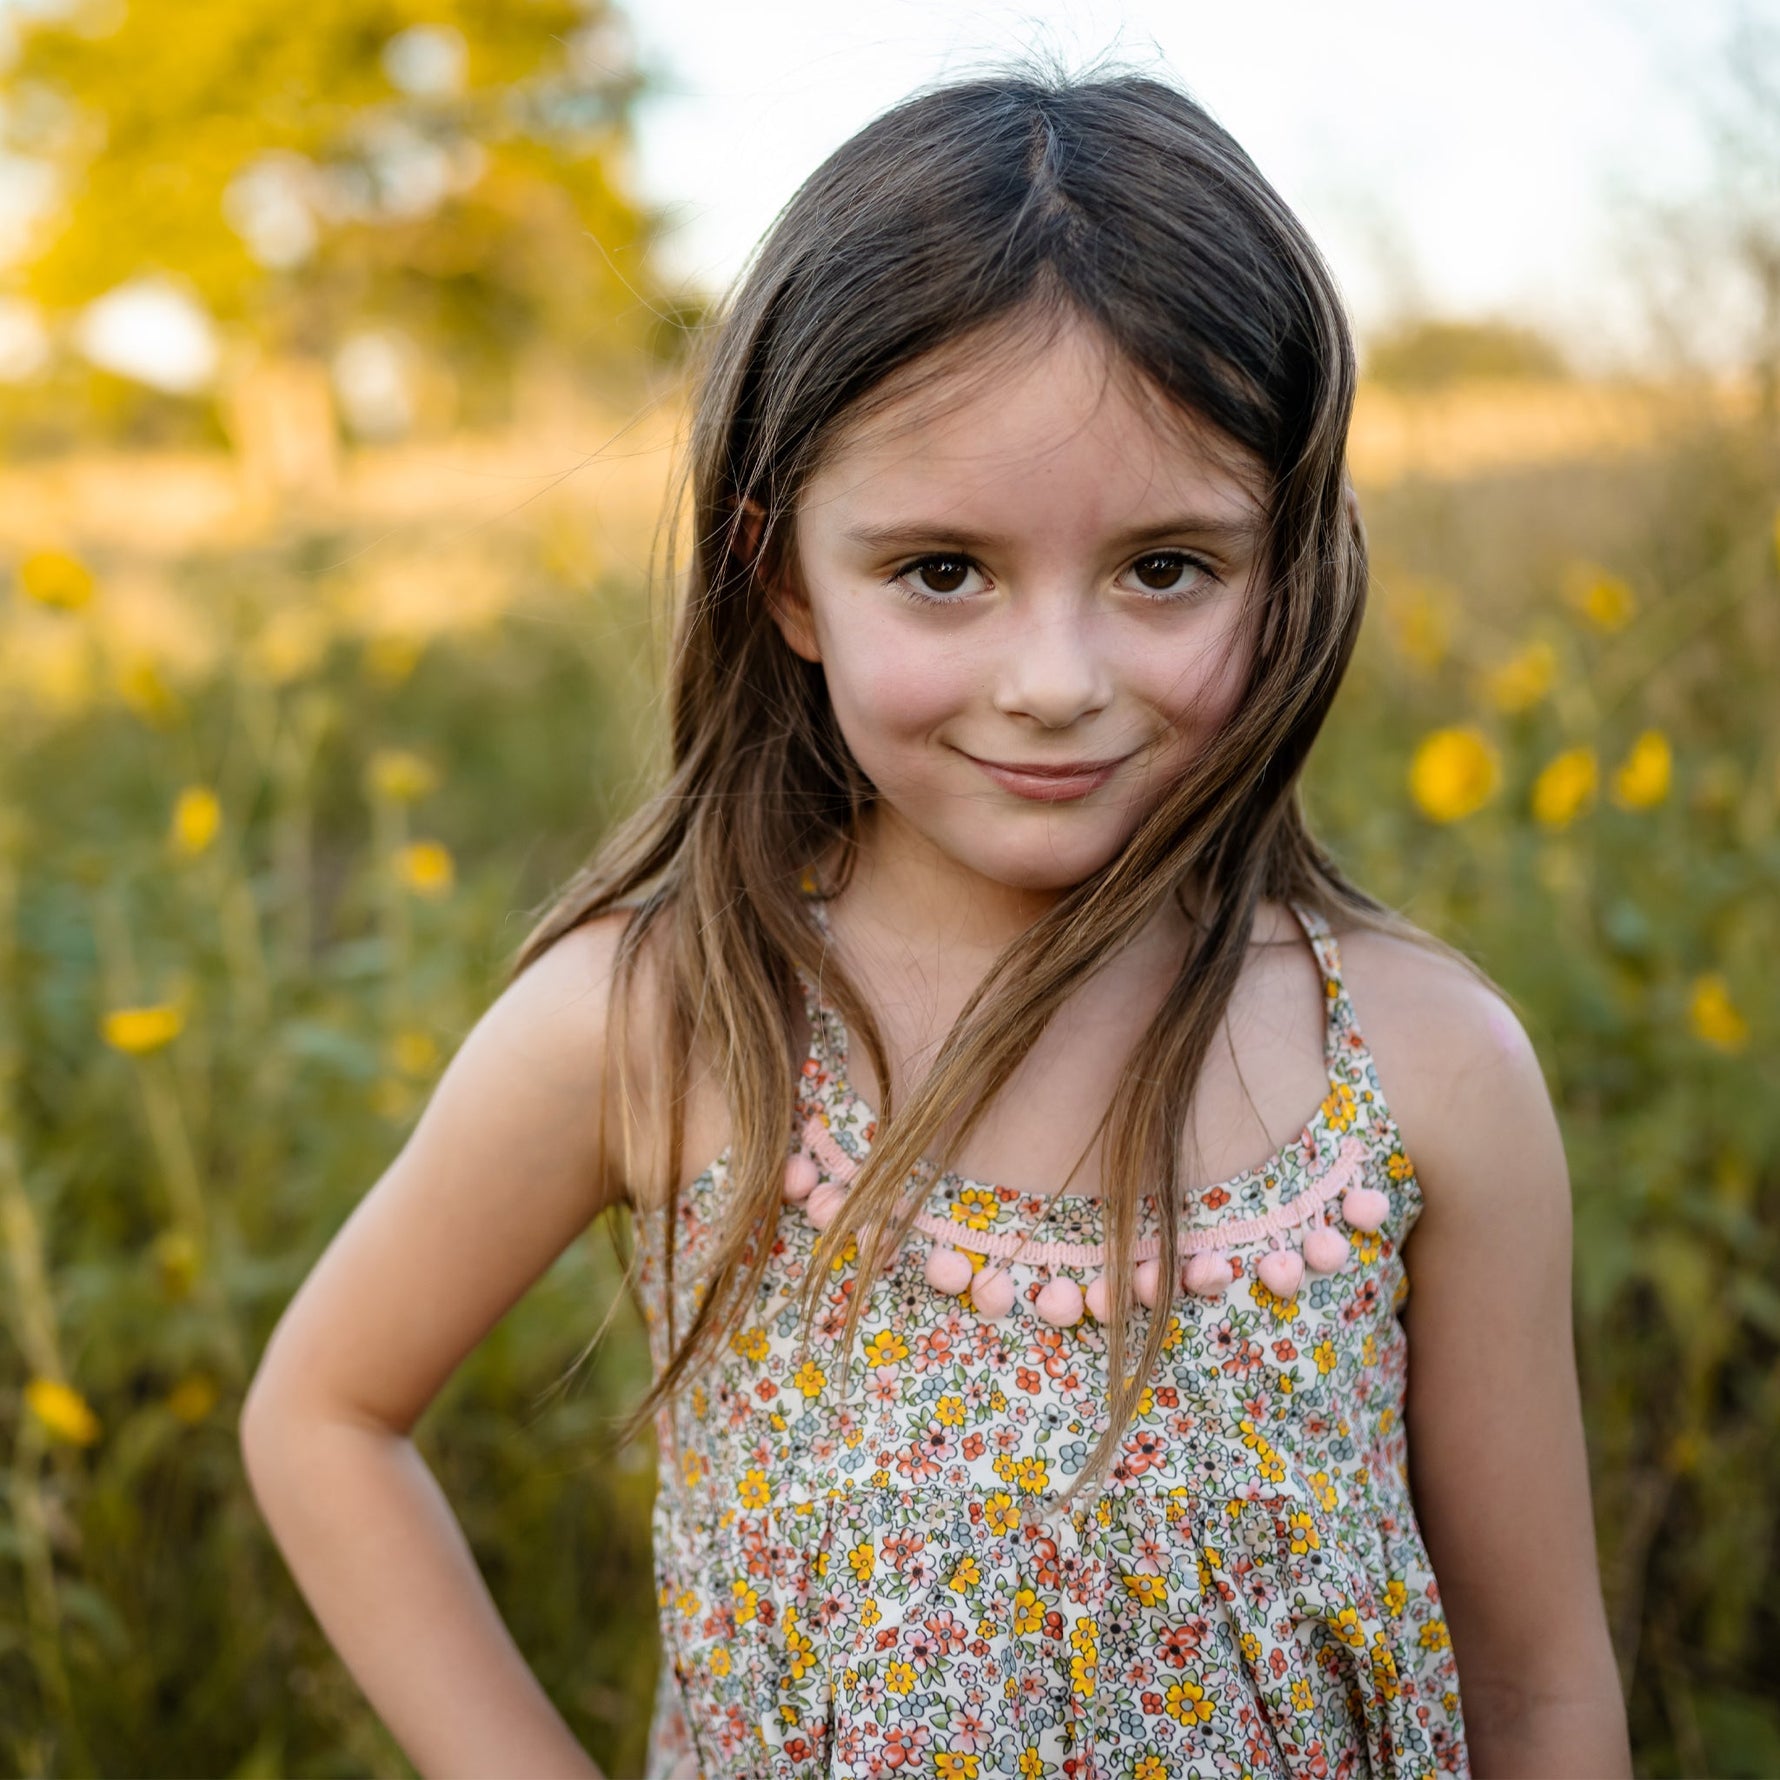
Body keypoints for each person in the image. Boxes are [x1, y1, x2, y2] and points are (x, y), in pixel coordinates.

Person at [240, 66, 1634, 1780]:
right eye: (944, 572)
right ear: (780, 575)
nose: (1056, 683)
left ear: (1286, 567)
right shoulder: (674, 1017)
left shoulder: (1421, 1066)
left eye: (1167, 568)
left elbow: (1542, 1686)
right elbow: (324, 1414)